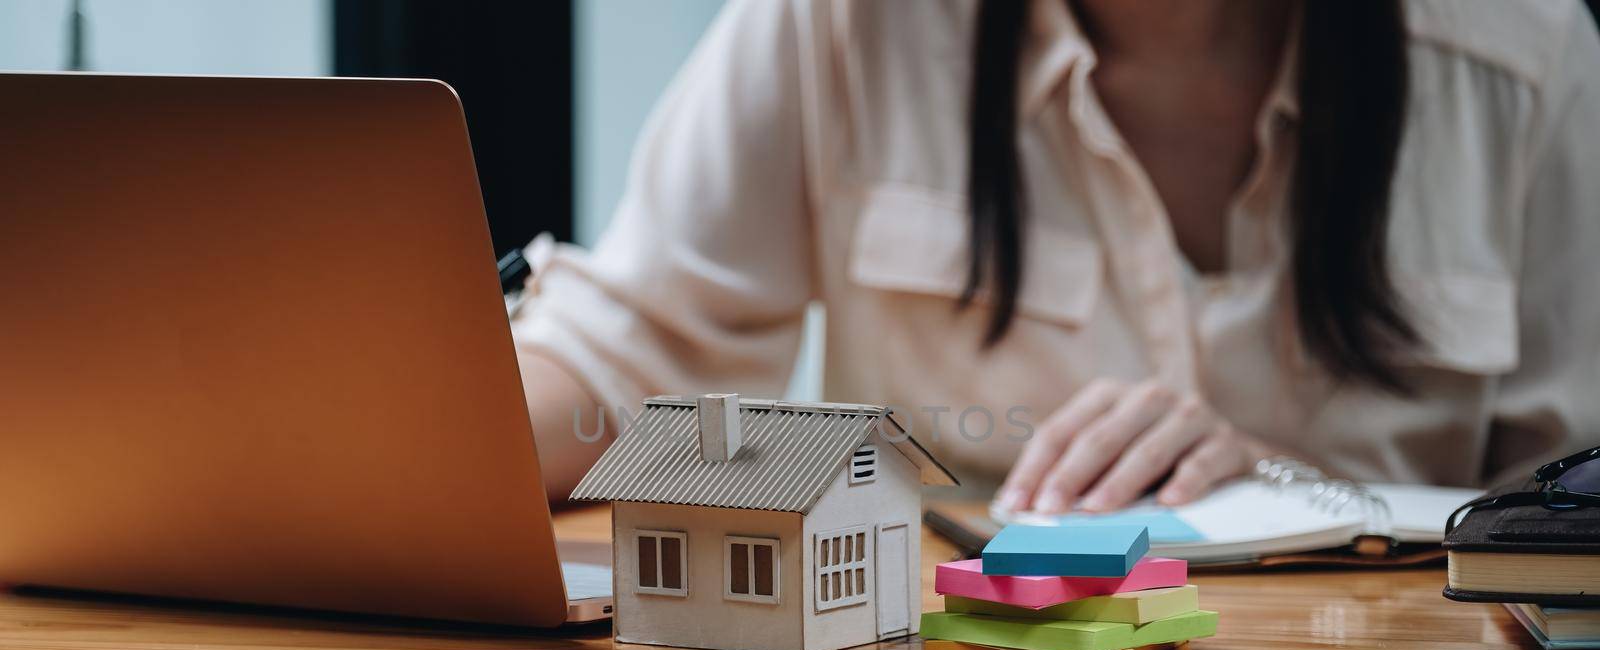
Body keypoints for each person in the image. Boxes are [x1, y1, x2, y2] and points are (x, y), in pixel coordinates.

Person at [510, 0, 1600, 514]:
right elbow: (625, 359)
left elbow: (1570, 514)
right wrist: (391, 428)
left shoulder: (1522, 55)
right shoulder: (844, 21)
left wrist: (1284, 495)